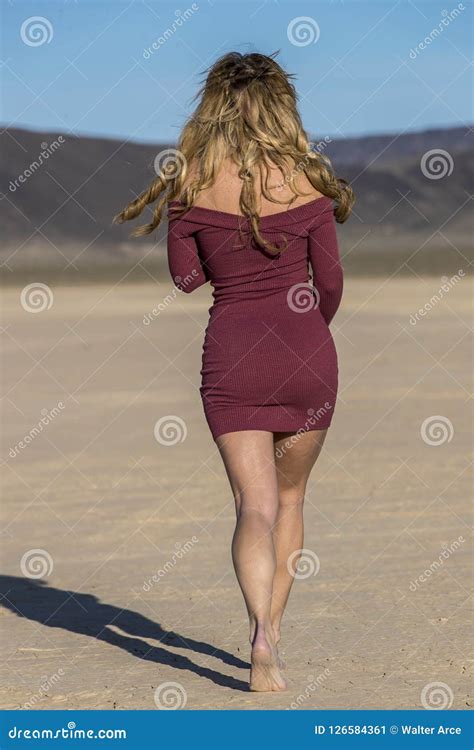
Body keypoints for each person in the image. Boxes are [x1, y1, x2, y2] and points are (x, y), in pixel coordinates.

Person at [116, 51, 354, 692]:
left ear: (211, 109)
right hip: (307, 354)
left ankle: (259, 639)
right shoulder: (306, 182)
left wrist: (195, 223)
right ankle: (270, 633)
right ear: (281, 106)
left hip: (232, 357)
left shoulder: (191, 181)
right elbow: (328, 284)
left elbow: (188, 280)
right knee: (293, 499)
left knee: (254, 505)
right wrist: (305, 332)